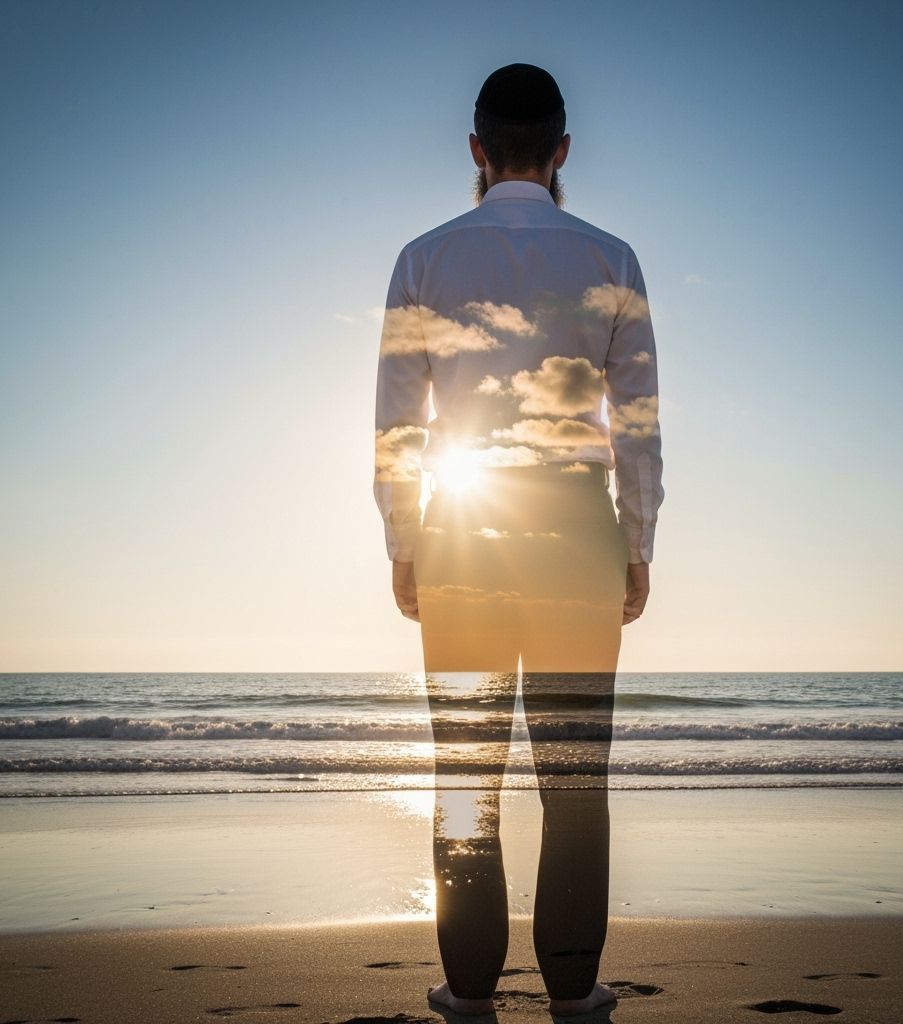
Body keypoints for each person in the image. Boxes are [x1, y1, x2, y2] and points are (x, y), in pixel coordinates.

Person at [373, 63, 664, 1017]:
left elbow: (400, 428)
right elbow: (640, 426)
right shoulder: (613, 258)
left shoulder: (423, 258)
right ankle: (575, 996)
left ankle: (468, 994)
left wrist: (404, 545)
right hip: (577, 532)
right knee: (576, 779)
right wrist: (636, 543)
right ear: (563, 152)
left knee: (466, 775)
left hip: (464, 532)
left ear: (476, 150)